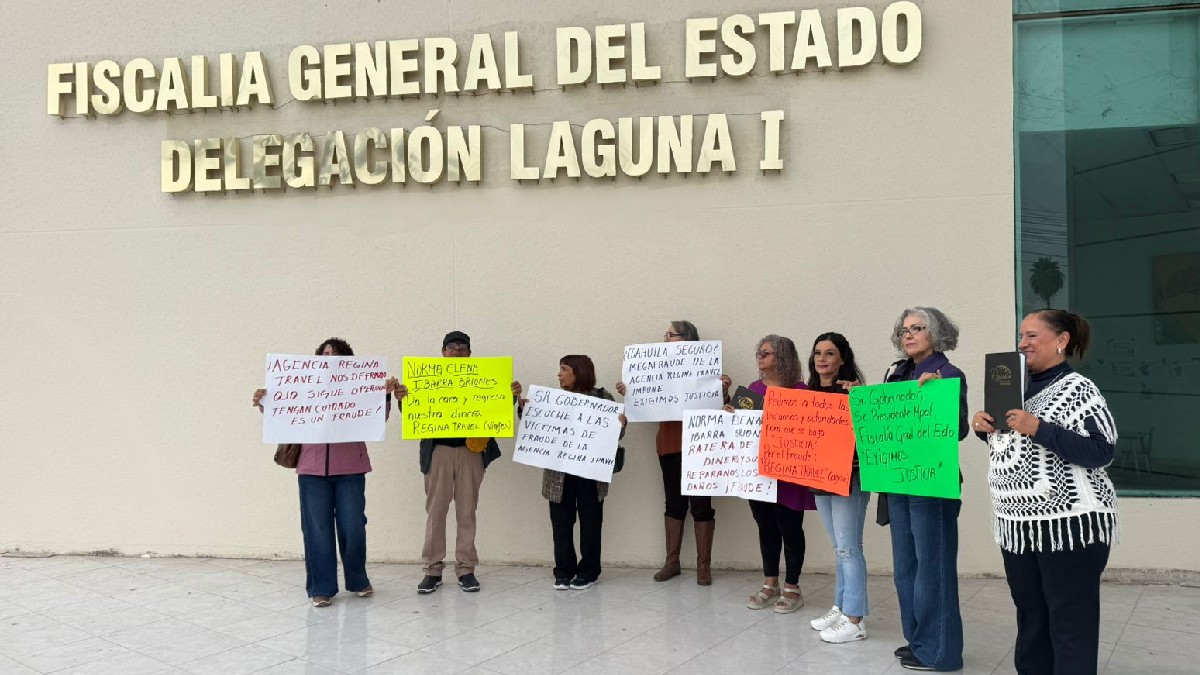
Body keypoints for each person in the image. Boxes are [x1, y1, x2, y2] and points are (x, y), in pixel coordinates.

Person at [972, 310, 1118, 675]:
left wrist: (1040, 428)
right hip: (1019, 527)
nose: (1023, 343)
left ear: (1062, 340)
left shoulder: (1078, 389)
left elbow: (1103, 451)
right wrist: (983, 427)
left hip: (1069, 525)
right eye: (1021, 335)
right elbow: (1010, 450)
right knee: (1031, 616)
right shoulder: (1012, 388)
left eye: (1033, 335)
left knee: (1070, 623)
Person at [251, 337, 398, 608]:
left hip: (351, 468)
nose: (331, 357)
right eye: (326, 353)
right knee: (316, 529)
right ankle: (321, 587)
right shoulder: (304, 384)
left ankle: (357, 579)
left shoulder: (358, 387)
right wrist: (265, 402)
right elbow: (284, 412)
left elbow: (377, 417)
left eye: (337, 354)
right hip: (311, 469)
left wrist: (385, 394)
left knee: (353, 526)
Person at [394, 331, 521, 595]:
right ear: (442, 351)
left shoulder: (485, 377)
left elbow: (497, 408)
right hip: (438, 451)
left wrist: (509, 395)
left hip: (471, 451)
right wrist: (403, 398)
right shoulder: (424, 377)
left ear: (470, 353)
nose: (457, 350)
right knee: (436, 512)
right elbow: (412, 413)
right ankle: (432, 570)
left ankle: (466, 569)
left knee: (467, 511)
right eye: (451, 346)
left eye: (462, 347)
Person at [879, 307, 968, 671]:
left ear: (936, 333)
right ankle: (918, 640)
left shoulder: (949, 374)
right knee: (906, 568)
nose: (909, 335)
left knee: (933, 567)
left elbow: (959, 430)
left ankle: (942, 653)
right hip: (897, 480)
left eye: (918, 328)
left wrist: (936, 400)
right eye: (905, 330)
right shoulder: (897, 373)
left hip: (931, 483)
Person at [615, 321, 731, 585]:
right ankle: (672, 561)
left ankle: (704, 565)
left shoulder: (706, 367)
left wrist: (723, 389)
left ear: (687, 339)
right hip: (669, 443)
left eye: (671, 334)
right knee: (674, 502)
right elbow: (646, 401)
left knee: (701, 505)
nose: (666, 338)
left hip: (701, 444)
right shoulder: (657, 366)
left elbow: (723, 407)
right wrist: (630, 392)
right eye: (665, 335)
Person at [515, 355, 626, 590]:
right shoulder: (551, 400)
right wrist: (526, 410)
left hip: (590, 475)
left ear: (579, 372)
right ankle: (563, 571)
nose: (559, 374)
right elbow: (533, 427)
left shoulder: (602, 398)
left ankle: (589, 572)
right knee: (561, 524)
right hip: (558, 476)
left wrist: (621, 425)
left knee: (591, 524)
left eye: (564, 369)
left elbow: (614, 436)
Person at [728, 334, 815, 614]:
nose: (760, 357)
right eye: (759, 352)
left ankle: (792, 587)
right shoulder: (753, 389)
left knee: (789, 528)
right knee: (765, 527)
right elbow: (742, 431)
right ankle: (770, 583)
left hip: (789, 474)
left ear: (782, 357)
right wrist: (730, 414)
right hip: (759, 474)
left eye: (766, 352)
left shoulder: (801, 391)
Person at [805, 332, 871, 643]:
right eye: (818, 353)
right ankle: (842, 606)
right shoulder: (808, 393)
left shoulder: (853, 393)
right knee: (839, 548)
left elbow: (872, 429)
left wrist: (862, 399)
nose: (822, 358)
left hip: (849, 478)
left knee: (849, 548)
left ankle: (855, 619)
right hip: (820, 479)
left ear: (842, 359)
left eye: (830, 353)